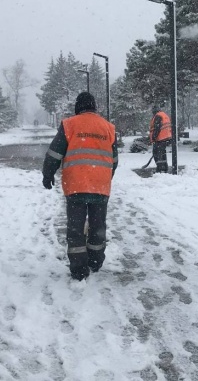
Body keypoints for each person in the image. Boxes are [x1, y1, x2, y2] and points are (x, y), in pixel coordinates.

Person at [42, 92, 118, 281]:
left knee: (76, 228)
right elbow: (114, 160)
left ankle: (79, 268)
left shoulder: (70, 124)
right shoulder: (108, 127)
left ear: (78, 106)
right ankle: (95, 261)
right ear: (94, 106)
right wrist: (106, 176)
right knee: (97, 226)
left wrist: (48, 174)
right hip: (100, 186)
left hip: (75, 185)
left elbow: (54, 153)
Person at [149, 105, 172, 173]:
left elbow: (157, 128)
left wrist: (153, 138)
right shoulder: (164, 115)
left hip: (160, 138)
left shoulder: (158, 116)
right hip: (166, 137)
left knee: (157, 154)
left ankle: (160, 169)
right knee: (162, 153)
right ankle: (164, 167)